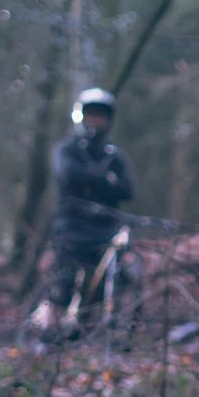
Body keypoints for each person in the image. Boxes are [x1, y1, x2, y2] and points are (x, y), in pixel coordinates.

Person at [38, 88, 136, 320]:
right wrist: (105, 181)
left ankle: (90, 328)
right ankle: (48, 329)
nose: (95, 121)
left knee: (109, 280)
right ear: (80, 117)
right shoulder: (66, 149)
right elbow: (69, 175)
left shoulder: (115, 155)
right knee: (63, 283)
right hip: (71, 227)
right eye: (91, 115)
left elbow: (128, 190)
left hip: (105, 229)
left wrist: (94, 180)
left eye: (100, 116)